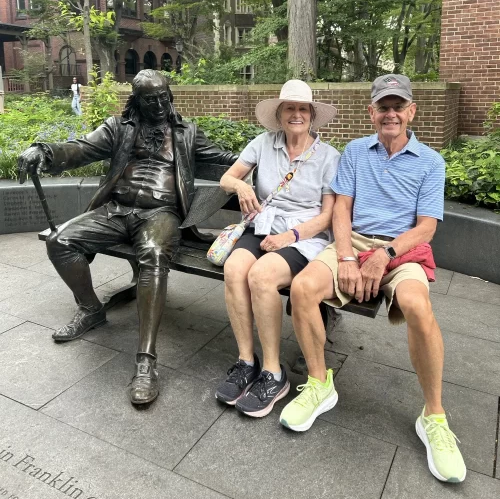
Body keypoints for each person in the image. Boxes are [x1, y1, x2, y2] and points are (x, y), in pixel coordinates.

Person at [281, 74, 466, 483]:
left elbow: (426, 228)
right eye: (383, 107)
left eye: (399, 107)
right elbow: (341, 210)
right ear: (372, 112)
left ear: (411, 112)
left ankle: (434, 416)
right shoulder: (355, 152)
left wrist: (383, 256)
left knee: (418, 305)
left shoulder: (431, 161)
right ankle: (318, 383)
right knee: (302, 287)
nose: (391, 114)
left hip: (401, 249)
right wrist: (346, 255)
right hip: (354, 240)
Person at [18, 70, 238, 406]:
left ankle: (146, 361)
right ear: (136, 100)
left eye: (165, 96)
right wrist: (44, 151)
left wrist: (259, 162)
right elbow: (79, 149)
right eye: (151, 99)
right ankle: (90, 309)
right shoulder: (118, 128)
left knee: (152, 253)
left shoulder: (186, 131)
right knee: (60, 241)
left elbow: (225, 160)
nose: (161, 103)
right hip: (116, 210)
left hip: (161, 215)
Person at [215, 79, 340, 418]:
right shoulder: (263, 143)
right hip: (264, 225)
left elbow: (328, 216)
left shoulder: (329, 157)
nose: (296, 114)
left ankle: (273, 373)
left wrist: (291, 237)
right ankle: (246, 361)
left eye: (303, 108)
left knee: (261, 276)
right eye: (290, 108)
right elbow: (227, 177)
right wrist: (241, 184)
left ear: (311, 115)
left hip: (305, 237)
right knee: (234, 269)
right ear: (280, 114)